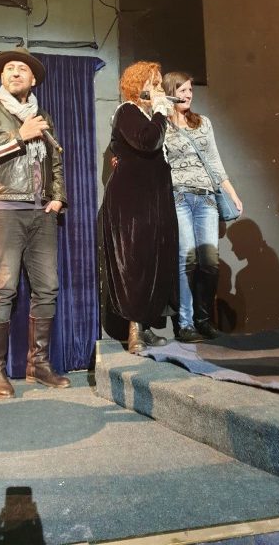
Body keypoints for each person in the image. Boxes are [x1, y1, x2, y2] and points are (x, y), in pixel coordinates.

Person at [0, 47, 70, 398]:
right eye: (9, 68)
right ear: (1, 77)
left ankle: (38, 364)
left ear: (33, 79)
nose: (14, 73)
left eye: (21, 69)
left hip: (42, 211)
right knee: (3, 288)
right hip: (5, 208)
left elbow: (55, 160)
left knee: (48, 288)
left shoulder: (43, 116)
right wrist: (18, 136)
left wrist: (58, 197)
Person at [102, 61, 178, 354]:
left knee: (153, 259)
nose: (159, 88)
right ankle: (134, 331)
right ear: (138, 85)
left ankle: (145, 327)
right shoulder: (127, 111)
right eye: (153, 83)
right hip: (132, 201)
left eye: (159, 84)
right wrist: (160, 111)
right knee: (135, 261)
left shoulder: (150, 115)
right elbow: (147, 142)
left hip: (154, 198)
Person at [162, 71, 243, 341]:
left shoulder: (202, 122)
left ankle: (204, 320)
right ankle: (185, 324)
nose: (187, 95)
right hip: (179, 197)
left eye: (190, 90)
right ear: (170, 92)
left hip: (207, 198)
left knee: (209, 262)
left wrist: (232, 193)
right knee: (187, 260)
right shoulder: (162, 125)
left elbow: (215, 161)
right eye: (182, 90)